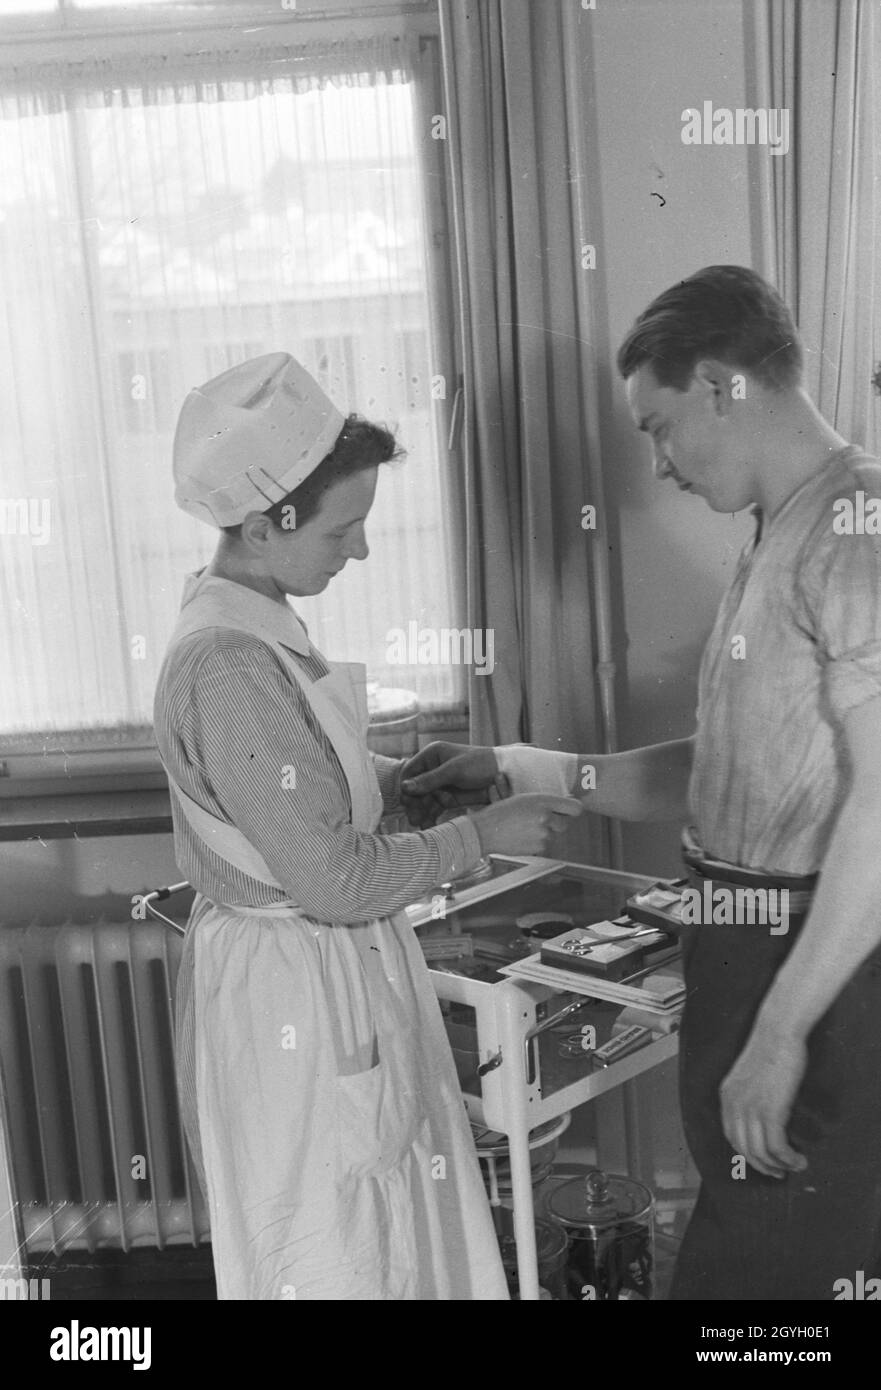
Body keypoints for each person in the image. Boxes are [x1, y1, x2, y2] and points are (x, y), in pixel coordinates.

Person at [402, 266, 881, 1301]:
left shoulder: (854, 534)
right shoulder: (777, 531)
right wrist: (519, 768)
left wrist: (780, 1030)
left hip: (816, 971)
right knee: (744, 1246)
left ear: (719, 385)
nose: (655, 464)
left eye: (656, 426)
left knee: (778, 1272)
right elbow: (717, 766)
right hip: (747, 943)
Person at [153, 351, 583, 1300]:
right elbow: (334, 880)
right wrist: (485, 832)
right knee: (336, 1247)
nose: (359, 552)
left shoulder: (260, 618)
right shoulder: (226, 663)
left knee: (386, 1227)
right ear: (267, 526)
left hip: (325, 973)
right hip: (293, 993)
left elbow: (290, 788)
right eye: (344, 530)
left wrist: (405, 783)